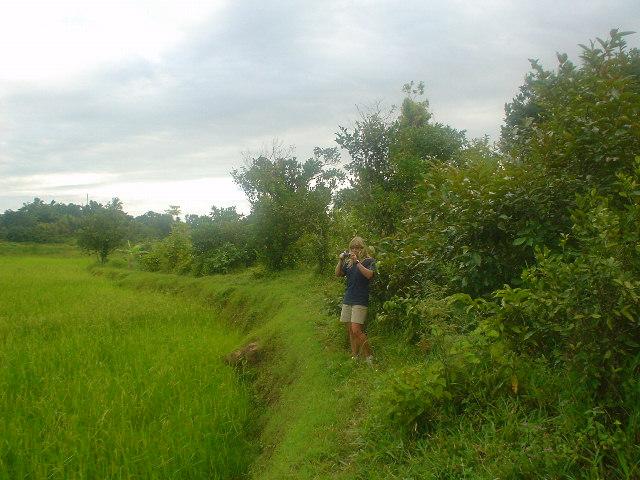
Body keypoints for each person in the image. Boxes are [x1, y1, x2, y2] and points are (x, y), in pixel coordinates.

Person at [335, 236, 375, 365]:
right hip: (348, 298)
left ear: (363, 248)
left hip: (360, 299)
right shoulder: (348, 262)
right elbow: (338, 274)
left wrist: (357, 262)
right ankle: (355, 357)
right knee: (350, 331)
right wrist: (341, 260)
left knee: (357, 330)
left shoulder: (368, 261)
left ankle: (369, 357)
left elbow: (369, 275)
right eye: (352, 247)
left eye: (357, 247)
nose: (355, 250)